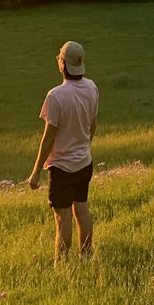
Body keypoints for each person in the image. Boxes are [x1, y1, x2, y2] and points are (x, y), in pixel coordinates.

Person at [28, 40, 99, 264]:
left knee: (63, 217)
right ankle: (86, 256)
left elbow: (49, 136)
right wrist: (85, 147)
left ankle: (62, 264)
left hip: (61, 167)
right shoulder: (92, 87)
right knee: (82, 210)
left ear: (62, 64)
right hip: (84, 161)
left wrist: (36, 171)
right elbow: (93, 124)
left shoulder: (56, 96)